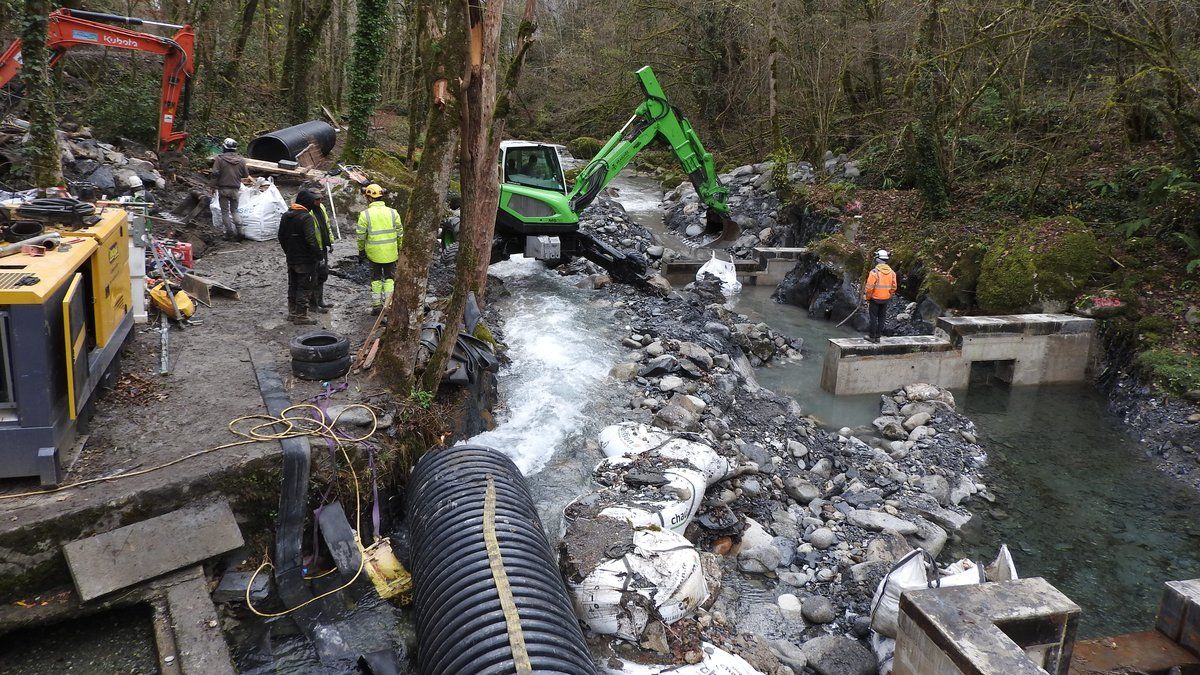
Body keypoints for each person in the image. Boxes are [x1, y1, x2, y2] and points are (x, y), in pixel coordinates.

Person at [278, 190, 323, 325]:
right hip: (305, 259)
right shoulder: (306, 217)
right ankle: (301, 315)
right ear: (307, 202)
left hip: (291, 257)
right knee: (305, 286)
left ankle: (292, 313)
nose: (317, 203)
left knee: (293, 285)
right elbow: (311, 239)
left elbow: (281, 236)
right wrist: (318, 254)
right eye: (314, 201)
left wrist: (288, 251)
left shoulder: (287, 215)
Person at [356, 184, 402, 315]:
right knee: (389, 278)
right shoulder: (393, 213)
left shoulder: (365, 215)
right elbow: (400, 233)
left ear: (369, 197)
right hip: (391, 253)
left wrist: (361, 251)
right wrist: (400, 248)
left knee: (375, 278)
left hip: (373, 253)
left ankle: (376, 306)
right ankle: (389, 305)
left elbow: (360, 236)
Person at [211, 138, 252, 240]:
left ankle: (229, 233)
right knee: (234, 210)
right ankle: (240, 232)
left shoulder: (219, 159)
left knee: (225, 212)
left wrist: (212, 187)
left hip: (223, 189)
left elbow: (215, 174)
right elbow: (246, 175)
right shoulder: (241, 160)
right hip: (235, 190)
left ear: (224, 147)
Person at [306, 188, 336, 313]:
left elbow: (326, 225)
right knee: (314, 275)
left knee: (323, 274)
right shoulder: (307, 212)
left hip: (322, 246)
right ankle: (313, 304)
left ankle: (320, 301)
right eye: (316, 199)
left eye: (320, 199)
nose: (319, 201)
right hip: (314, 249)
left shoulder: (321, 208)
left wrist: (330, 241)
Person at [863, 249, 897, 343]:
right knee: (882, 317)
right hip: (885, 299)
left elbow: (869, 288)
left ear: (878, 259)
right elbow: (894, 287)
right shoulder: (892, 273)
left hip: (875, 299)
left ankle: (872, 336)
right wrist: (889, 295)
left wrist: (868, 297)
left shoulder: (874, 272)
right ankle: (878, 337)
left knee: (873, 317)